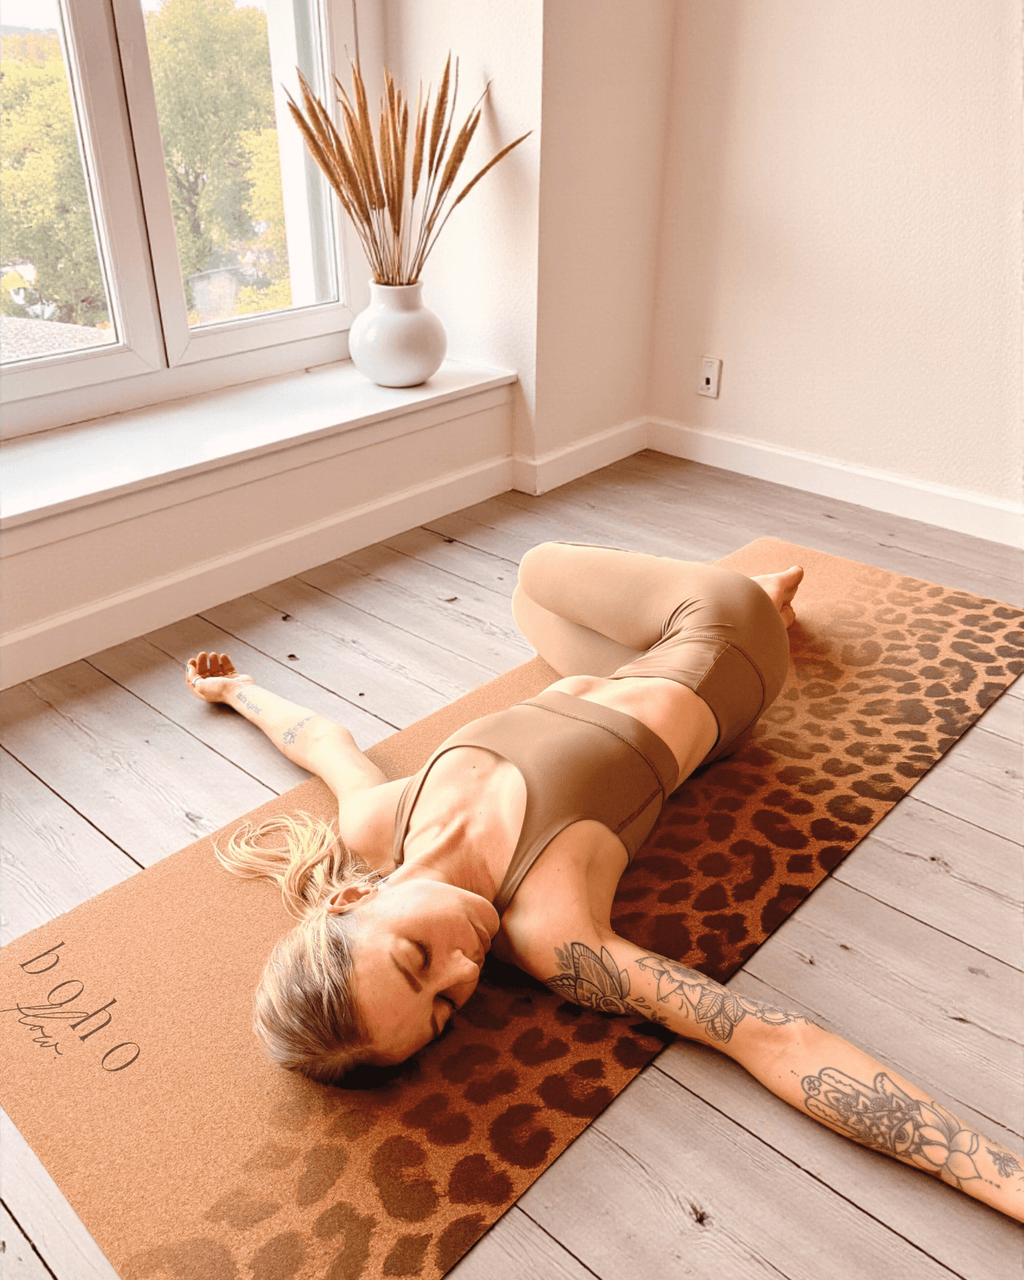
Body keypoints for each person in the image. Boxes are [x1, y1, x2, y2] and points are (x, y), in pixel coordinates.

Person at [187, 541, 1022, 1221]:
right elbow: (761, 1034)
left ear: (351, 896)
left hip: (643, 676)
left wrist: (240, 691)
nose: (465, 971)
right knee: (540, 566)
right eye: (445, 1010)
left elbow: (321, 742)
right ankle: (765, 603)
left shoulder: (371, 827)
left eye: (415, 957)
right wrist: (992, 1177)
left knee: (531, 595)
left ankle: (758, 600)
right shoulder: (555, 931)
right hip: (724, 642)